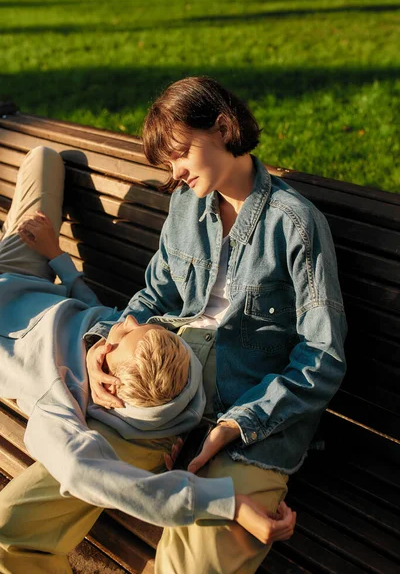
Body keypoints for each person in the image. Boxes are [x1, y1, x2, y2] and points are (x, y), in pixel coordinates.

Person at [87, 76, 347, 574]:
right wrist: (107, 341)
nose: (174, 173)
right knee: (34, 504)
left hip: (254, 410)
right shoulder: (185, 205)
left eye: (180, 153)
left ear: (224, 127)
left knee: (195, 560)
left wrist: (233, 425)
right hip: (164, 385)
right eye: (167, 163)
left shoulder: (294, 224)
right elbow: (155, 293)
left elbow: (323, 356)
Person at [0, 145, 296, 574]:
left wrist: (222, 504)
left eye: (119, 336)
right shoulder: (136, 348)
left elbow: (85, 470)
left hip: (17, 280)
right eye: (135, 326)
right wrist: (59, 259)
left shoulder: (58, 399)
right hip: (28, 271)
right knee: (43, 156)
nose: (125, 320)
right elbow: (100, 312)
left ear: (112, 390)